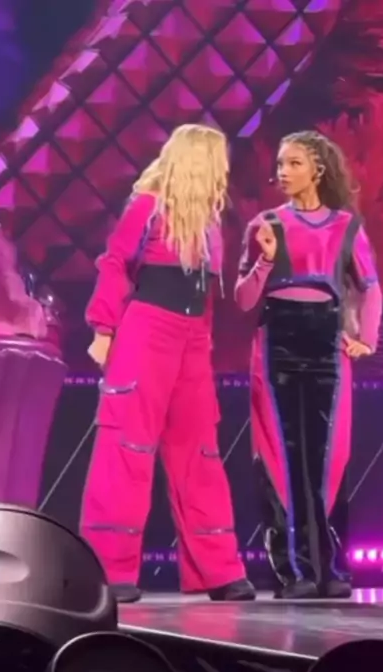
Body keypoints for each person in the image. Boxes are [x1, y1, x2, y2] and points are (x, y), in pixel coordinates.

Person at [81, 124, 255, 604]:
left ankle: (218, 570)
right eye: (217, 160)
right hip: (147, 332)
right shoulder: (147, 208)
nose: (224, 170)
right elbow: (115, 263)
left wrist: (206, 345)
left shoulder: (211, 224)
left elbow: (207, 297)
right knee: (127, 446)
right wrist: (103, 329)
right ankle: (110, 569)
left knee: (199, 451)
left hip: (193, 339)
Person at [235, 130, 383, 600]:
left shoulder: (346, 226)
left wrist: (367, 340)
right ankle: (293, 572)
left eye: (294, 163)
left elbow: (370, 288)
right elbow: (243, 300)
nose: (283, 171)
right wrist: (264, 261)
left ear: (317, 169)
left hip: (326, 344)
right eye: (280, 163)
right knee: (280, 457)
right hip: (275, 342)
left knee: (327, 458)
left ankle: (330, 568)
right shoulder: (266, 224)